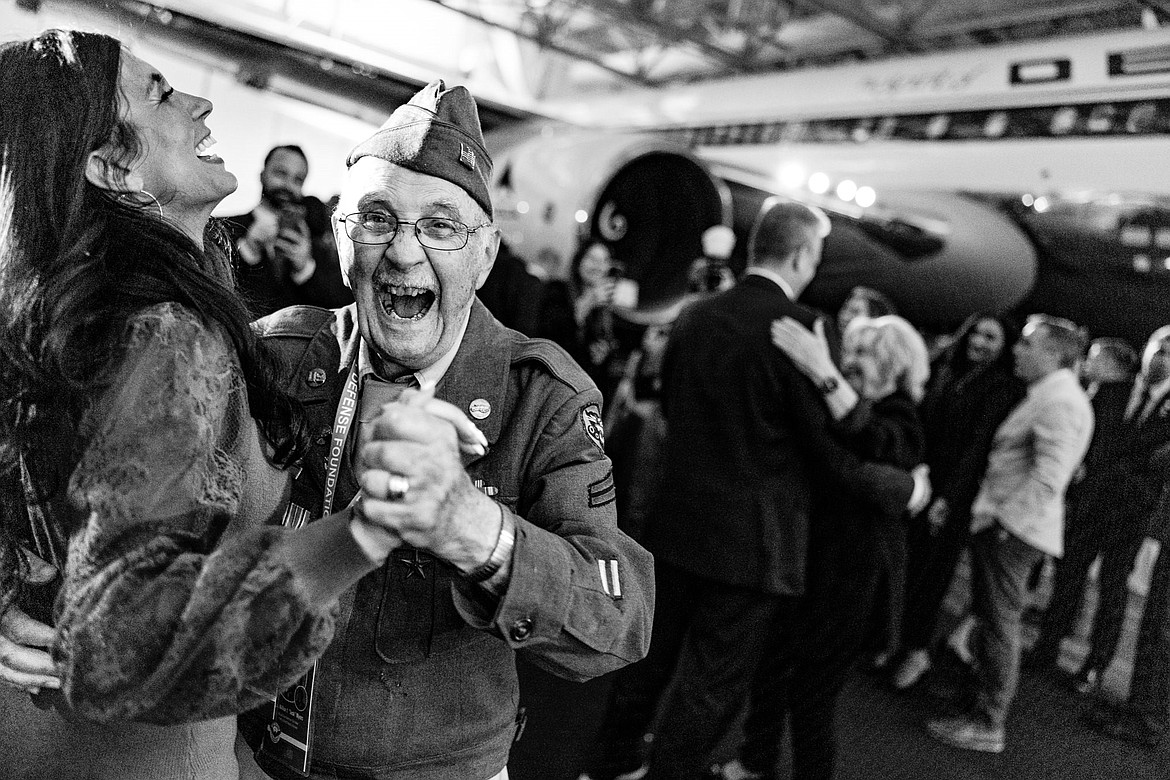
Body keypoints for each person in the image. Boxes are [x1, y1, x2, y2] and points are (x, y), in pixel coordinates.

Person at [0, 29, 414, 780]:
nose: (202, 101)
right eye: (160, 92)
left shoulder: (57, 307)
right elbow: (119, 633)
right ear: (107, 165)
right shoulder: (165, 335)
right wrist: (364, 532)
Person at [240, 79, 654, 780]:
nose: (403, 252)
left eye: (440, 226)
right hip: (258, 756)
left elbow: (620, 620)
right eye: (376, 219)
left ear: (486, 255)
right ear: (342, 240)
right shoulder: (277, 357)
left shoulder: (541, 397)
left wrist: (471, 527)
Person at [581, 198, 930, 780]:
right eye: (815, 256)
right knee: (710, 683)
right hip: (756, 544)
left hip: (675, 521)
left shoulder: (692, 315)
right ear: (801, 255)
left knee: (649, 658)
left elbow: (671, 409)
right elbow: (825, 448)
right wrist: (899, 487)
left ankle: (611, 762)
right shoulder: (806, 330)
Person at [714, 313, 930, 780]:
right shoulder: (847, 408)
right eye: (849, 352)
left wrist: (827, 378)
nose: (852, 362)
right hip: (807, 566)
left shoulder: (900, 414)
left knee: (812, 696)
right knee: (772, 674)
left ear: (895, 366)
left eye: (866, 354)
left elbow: (880, 444)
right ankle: (755, 761)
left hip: (849, 582)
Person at [927, 315, 1093, 754]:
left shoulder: (1060, 402)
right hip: (1009, 527)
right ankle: (977, 706)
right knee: (991, 619)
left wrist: (1002, 523)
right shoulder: (1049, 395)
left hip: (1015, 532)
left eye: (1026, 344)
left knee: (1001, 625)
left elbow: (1048, 479)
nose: (1016, 351)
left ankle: (989, 722)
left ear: (1054, 355)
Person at [1029, 327, 1170, 692]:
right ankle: (1047, 648)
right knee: (1067, 577)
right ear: (1146, 349)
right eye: (1158, 349)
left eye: (1169, 354)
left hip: (1131, 514)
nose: (1161, 358)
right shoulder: (1112, 391)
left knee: (1113, 589)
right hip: (1091, 502)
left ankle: (1094, 666)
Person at [891, 313, 1026, 690]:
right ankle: (890, 640)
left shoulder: (1001, 388)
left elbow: (977, 448)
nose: (979, 342)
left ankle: (915, 650)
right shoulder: (947, 369)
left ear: (1004, 346)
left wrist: (948, 499)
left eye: (991, 337)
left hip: (955, 492)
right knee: (904, 564)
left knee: (931, 575)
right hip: (921, 479)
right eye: (977, 333)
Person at [225, 144, 352, 318]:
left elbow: (341, 307)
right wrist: (248, 250)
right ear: (262, 176)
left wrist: (305, 269)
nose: (288, 185)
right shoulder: (224, 229)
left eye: (298, 179)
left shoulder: (314, 244)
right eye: (280, 174)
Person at [686, 224, 736, 294]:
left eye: (720, 261)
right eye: (713, 260)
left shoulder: (727, 276)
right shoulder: (699, 268)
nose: (716, 264)